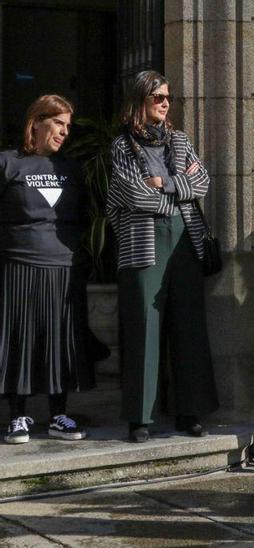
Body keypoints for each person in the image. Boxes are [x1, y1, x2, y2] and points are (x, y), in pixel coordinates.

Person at [107, 70, 217, 443]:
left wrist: (166, 183)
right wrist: (175, 193)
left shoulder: (180, 140)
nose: (166, 103)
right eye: (158, 97)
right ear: (140, 100)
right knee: (144, 327)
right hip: (142, 243)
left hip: (186, 240)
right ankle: (140, 418)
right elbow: (132, 195)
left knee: (189, 326)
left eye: (168, 97)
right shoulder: (122, 146)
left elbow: (203, 181)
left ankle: (191, 411)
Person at [0, 95, 92, 444]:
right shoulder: (8, 164)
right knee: (19, 340)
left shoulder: (71, 170)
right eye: (58, 123)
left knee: (58, 341)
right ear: (36, 121)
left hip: (63, 268)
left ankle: (58, 416)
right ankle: (17, 417)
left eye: (68, 126)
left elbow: (82, 218)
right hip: (18, 265)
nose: (64, 132)